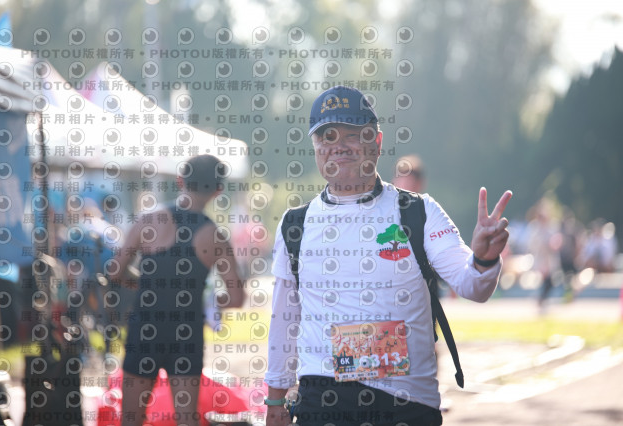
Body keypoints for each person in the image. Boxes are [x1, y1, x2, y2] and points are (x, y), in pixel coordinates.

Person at [265, 86, 512, 426]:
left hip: (406, 406)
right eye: (327, 136)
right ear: (316, 147)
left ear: (377, 142)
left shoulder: (418, 211)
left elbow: (473, 286)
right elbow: (284, 319)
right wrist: (275, 400)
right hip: (321, 403)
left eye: (352, 134)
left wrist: (484, 259)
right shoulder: (295, 224)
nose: (338, 145)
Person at [111, 154, 246, 426]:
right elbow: (236, 298)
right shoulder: (215, 236)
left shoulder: (148, 220)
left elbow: (115, 271)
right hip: (186, 333)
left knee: (130, 419)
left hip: (145, 328)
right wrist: (210, 300)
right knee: (186, 420)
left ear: (180, 180)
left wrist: (142, 283)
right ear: (218, 190)